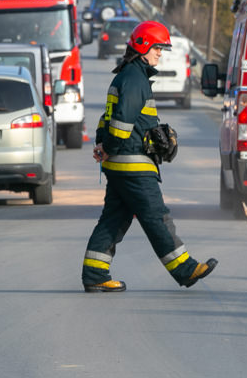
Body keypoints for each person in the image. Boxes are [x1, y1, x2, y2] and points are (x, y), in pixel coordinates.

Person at [82, 20, 217, 292]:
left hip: (120, 164)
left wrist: (103, 143)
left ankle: (95, 274)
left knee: (113, 220)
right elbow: (121, 122)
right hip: (133, 165)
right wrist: (110, 145)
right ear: (143, 46)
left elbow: (106, 118)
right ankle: (186, 270)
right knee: (156, 217)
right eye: (157, 48)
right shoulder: (134, 79)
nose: (160, 53)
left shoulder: (126, 76)